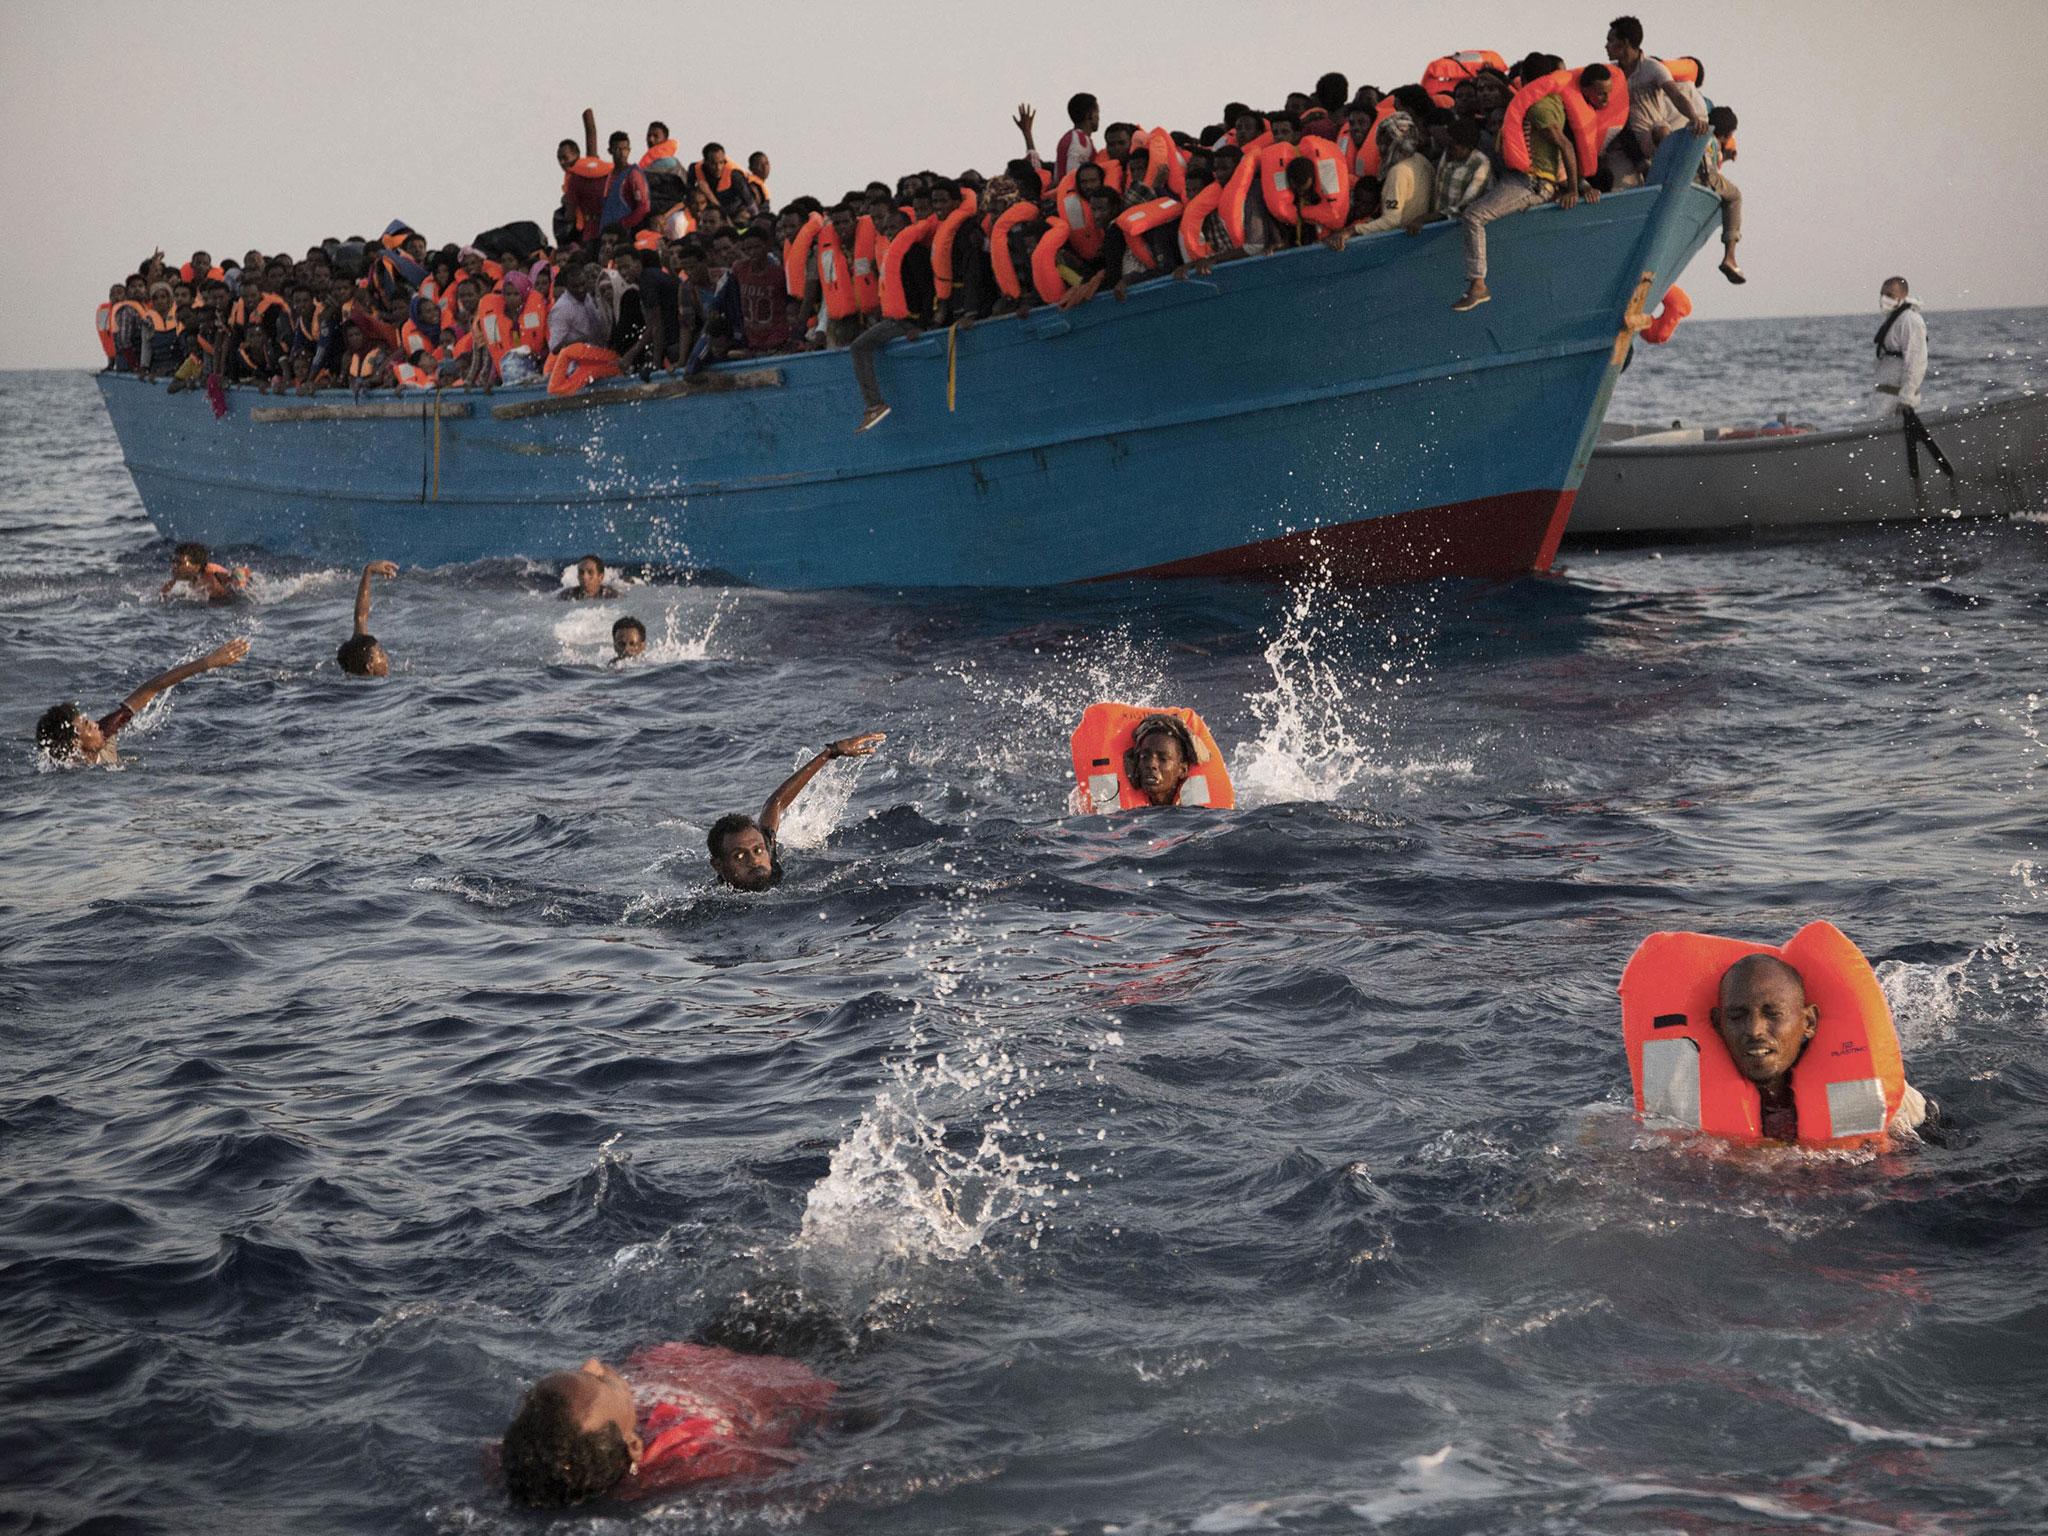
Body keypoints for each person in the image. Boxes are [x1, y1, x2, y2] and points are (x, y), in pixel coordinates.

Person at [499, 1346, 837, 1508]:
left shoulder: (537, 1454)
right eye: (598, 1380)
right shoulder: (700, 1464)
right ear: (633, 1446)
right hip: (798, 1366)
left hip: (705, 1356)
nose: (592, 1363)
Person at [1713, 954, 1930, 1141]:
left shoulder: (1886, 1095)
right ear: (1718, 1023)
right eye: (1736, 1016)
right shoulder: (1682, 1099)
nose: (1754, 1030)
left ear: (1808, 1022)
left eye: (1773, 1014)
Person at [1453, 65, 1610, 312]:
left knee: (1473, 216)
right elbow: (1515, 100)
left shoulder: (1540, 109)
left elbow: (1565, 147)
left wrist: (1574, 189)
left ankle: (1478, 284)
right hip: (1520, 182)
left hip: (1532, 184)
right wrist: (1495, 82)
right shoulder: (1530, 106)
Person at [707, 731, 884, 891]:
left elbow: (776, 802)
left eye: (758, 850)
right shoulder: (714, 897)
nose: (754, 861)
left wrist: (831, 752)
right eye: (739, 856)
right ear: (718, 865)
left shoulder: (768, 847)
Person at [35, 638, 250, 765]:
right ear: (75, 744)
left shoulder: (103, 733)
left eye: (86, 719)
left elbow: (151, 687)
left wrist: (208, 662)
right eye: (85, 726)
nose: (93, 723)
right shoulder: (74, 773)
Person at [1602, 15, 1708, 188]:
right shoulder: (1611, 73)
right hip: (1625, 143)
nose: (1606, 46)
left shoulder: (1652, 68)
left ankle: (1672, 175)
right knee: (1615, 186)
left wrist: (1694, 117)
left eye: (1610, 40)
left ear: (1625, 43)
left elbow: (1676, 95)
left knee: (1661, 130)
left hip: (1650, 135)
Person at [1875, 276, 1954, 482]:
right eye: (1883, 295)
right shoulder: (1895, 319)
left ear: (1902, 296)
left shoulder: (1910, 321)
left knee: (1888, 447)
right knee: (1878, 446)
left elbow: (1916, 361)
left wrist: (1907, 398)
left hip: (1896, 400)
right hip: (1883, 398)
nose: (1885, 299)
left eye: (1890, 295)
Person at [1700, 106, 1744, 282]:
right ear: (1726, 134)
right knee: (1734, 196)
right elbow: (1710, 173)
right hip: (1705, 178)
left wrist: (1724, 156)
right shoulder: (1710, 141)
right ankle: (1730, 257)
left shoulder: (1703, 137)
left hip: (1700, 175)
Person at [337, 560, 398, 677]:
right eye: (380, 655)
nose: (386, 658)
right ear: (369, 667)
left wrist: (368, 571)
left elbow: (361, 616)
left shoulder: (358, 653)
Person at [1433, 117, 1493, 221]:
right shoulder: (1448, 153)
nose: (1449, 151)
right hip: (1437, 220)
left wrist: (1430, 217)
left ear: (1467, 146)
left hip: (1459, 224)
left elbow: (1466, 205)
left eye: (1453, 148)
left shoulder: (1480, 164)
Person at [160, 541, 247, 603]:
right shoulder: (173, 584)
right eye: (173, 561)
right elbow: (161, 597)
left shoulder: (213, 573)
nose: (174, 566)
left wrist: (240, 582)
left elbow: (240, 571)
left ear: (197, 565)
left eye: (179, 563)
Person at [1057, 93, 1100, 180]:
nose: (1099, 118)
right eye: (1097, 112)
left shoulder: (1074, 137)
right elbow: (1072, 176)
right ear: (1090, 115)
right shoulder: (1079, 141)